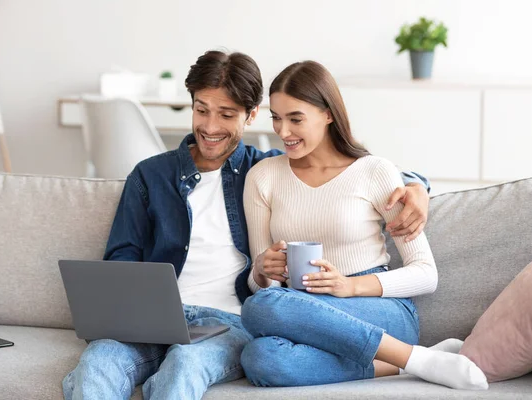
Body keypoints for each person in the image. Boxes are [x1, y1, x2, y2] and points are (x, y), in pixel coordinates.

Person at [62, 50, 432, 400]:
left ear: (251, 115)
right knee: (97, 364)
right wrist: (133, 307)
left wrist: (418, 186)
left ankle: (409, 360)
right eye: (201, 110)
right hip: (152, 319)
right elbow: (121, 257)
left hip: (229, 322)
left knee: (185, 365)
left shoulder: (265, 169)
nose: (210, 126)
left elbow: (349, 170)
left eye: (226, 114)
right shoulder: (150, 175)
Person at [240, 60, 488, 391]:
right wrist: (261, 271)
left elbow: (426, 274)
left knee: (260, 309)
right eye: (276, 118)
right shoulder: (263, 176)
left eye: (295, 118)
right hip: (302, 308)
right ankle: (406, 361)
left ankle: (417, 359)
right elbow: (263, 288)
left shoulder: (375, 171)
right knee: (261, 356)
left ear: (328, 114)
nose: (282, 132)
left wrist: (350, 286)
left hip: (380, 309)